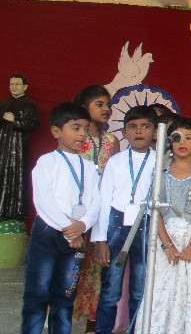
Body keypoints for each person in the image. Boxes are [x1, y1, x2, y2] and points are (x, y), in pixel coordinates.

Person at [135, 117, 191, 333]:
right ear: (170, 142)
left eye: (189, 138)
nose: (183, 142)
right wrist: (166, 244)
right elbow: (155, 211)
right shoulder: (160, 172)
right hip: (165, 237)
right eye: (177, 138)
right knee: (162, 289)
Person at [21, 102, 100, 334]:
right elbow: (43, 199)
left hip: (77, 234)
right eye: (75, 128)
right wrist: (69, 228)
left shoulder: (90, 167)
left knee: (66, 295)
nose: (81, 134)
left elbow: (96, 201)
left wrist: (83, 225)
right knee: (37, 293)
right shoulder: (47, 162)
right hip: (48, 232)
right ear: (56, 131)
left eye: (85, 128)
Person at [92, 105, 157, 334]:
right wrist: (100, 240)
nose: (139, 131)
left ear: (155, 132)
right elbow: (103, 201)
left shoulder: (160, 162)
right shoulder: (116, 161)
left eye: (145, 126)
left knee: (140, 290)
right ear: (124, 132)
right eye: (132, 127)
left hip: (146, 226)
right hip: (116, 225)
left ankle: (136, 330)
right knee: (110, 289)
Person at [71, 85, 121, 331]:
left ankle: (92, 323)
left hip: (102, 213)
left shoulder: (112, 141)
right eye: (99, 104)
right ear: (84, 107)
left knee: (97, 267)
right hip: (77, 212)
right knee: (72, 266)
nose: (106, 109)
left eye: (108, 105)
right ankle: (62, 314)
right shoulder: (75, 138)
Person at [0, 74, 39, 220]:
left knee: (15, 176)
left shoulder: (29, 104)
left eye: (17, 84)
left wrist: (14, 120)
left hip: (18, 148)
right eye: (12, 84)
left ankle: (14, 212)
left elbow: (32, 124)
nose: (14, 87)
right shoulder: (4, 103)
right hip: (2, 146)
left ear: (25, 87)